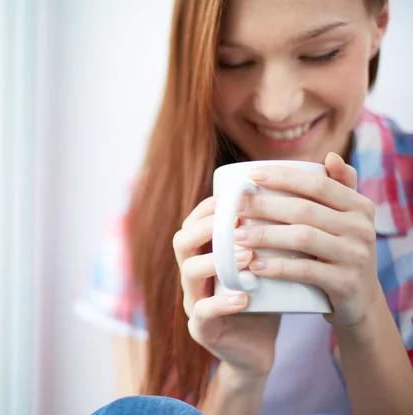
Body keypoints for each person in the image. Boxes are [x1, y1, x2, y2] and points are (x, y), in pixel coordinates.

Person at [74, 0, 413, 414]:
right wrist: (241, 373)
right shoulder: (150, 215)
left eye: (320, 53)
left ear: (379, 24)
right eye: (233, 62)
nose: (277, 107)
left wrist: (364, 321)